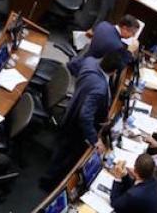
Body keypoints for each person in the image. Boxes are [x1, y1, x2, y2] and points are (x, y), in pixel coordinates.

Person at [40, 54, 116, 189]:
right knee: (65, 156)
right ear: (114, 71)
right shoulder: (100, 88)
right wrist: (95, 140)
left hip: (72, 110)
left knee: (61, 151)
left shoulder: (90, 62)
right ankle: (48, 184)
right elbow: (85, 116)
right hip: (78, 127)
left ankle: (49, 179)